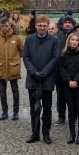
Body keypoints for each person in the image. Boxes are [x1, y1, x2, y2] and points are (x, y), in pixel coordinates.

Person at [22, 15, 61, 143]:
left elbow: (55, 58)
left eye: (44, 26)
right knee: (34, 108)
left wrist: (43, 73)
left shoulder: (54, 40)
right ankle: (35, 132)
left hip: (47, 79)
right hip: (33, 79)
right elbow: (26, 57)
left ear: (48, 27)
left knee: (47, 109)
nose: (42, 28)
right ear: (36, 26)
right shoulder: (29, 39)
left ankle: (46, 133)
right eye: (40, 25)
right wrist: (34, 72)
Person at [57, 32, 79, 144]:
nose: (74, 42)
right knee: (71, 110)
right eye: (72, 39)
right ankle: (72, 133)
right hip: (67, 85)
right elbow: (61, 69)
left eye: (76, 40)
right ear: (68, 41)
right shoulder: (63, 54)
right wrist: (69, 81)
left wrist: (76, 81)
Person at [0, 18, 23, 120]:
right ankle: (4, 112)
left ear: (10, 26)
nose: (5, 28)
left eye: (7, 26)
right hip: (1, 66)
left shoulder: (17, 37)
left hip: (13, 67)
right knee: (2, 91)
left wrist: (15, 59)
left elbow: (22, 50)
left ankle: (15, 112)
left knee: (15, 90)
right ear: (0, 26)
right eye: (3, 26)